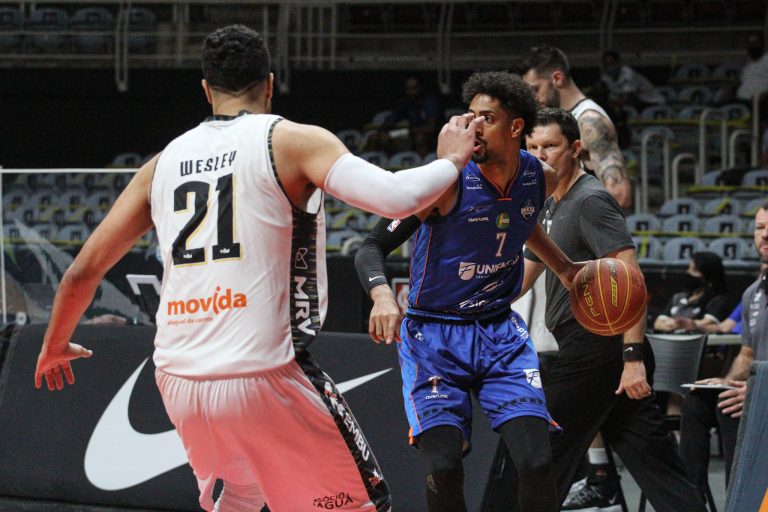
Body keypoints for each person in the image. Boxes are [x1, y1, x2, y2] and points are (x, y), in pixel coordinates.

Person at [34, 24, 484, 512]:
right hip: (263, 371)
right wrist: (452, 160)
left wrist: (55, 344)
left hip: (178, 379)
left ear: (206, 89)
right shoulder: (291, 140)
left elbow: (82, 271)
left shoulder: (161, 164)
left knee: (238, 500)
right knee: (359, 506)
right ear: (270, 83)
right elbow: (397, 196)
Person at [354, 71, 583, 512]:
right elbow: (371, 247)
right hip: (434, 336)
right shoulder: (445, 182)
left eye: (487, 118)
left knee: (536, 462)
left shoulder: (541, 177)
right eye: (471, 116)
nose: (473, 127)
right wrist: (382, 296)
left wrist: (566, 268)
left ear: (516, 127)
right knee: (444, 466)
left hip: (499, 333)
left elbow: (522, 222)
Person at [500, 107, 705, 512]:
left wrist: (632, 358)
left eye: (550, 146)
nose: (540, 156)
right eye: (533, 147)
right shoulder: (548, 202)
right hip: (590, 349)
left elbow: (632, 281)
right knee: (653, 461)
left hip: (598, 347)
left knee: (541, 448)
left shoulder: (590, 200)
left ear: (576, 148)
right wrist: (464, 302)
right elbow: (520, 278)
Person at [679, 203, 768, 501]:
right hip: (757, 391)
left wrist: (758, 392)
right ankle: (690, 503)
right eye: (760, 227)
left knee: (729, 408)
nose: (765, 235)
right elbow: (746, 354)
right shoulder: (753, 293)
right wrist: (727, 382)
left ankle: (738, 501)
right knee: (696, 402)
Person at [519, 45, 632, 208]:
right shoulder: (554, 121)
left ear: (557, 78)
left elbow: (620, 194)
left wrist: (571, 217)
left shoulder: (590, 121)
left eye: (535, 89)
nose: (533, 98)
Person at [653, 251, 732, 334]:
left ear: (708, 276)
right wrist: (679, 324)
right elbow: (657, 324)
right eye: (689, 268)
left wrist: (676, 323)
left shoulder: (718, 300)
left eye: (694, 270)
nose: (688, 272)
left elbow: (706, 323)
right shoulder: (677, 297)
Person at [379, 75, 444, 158]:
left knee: (419, 138)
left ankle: (424, 163)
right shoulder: (406, 102)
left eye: (414, 88)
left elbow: (431, 128)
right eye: (408, 88)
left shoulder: (430, 101)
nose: (411, 91)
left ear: (420, 88)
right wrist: (383, 130)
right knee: (382, 138)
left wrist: (405, 132)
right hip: (411, 133)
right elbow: (392, 119)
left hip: (436, 137)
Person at [600, 50, 666, 111]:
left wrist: (609, 106)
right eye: (606, 64)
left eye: (612, 63)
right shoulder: (605, 77)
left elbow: (626, 97)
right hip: (635, 105)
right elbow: (611, 96)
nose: (610, 67)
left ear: (619, 62)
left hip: (652, 102)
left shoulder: (628, 73)